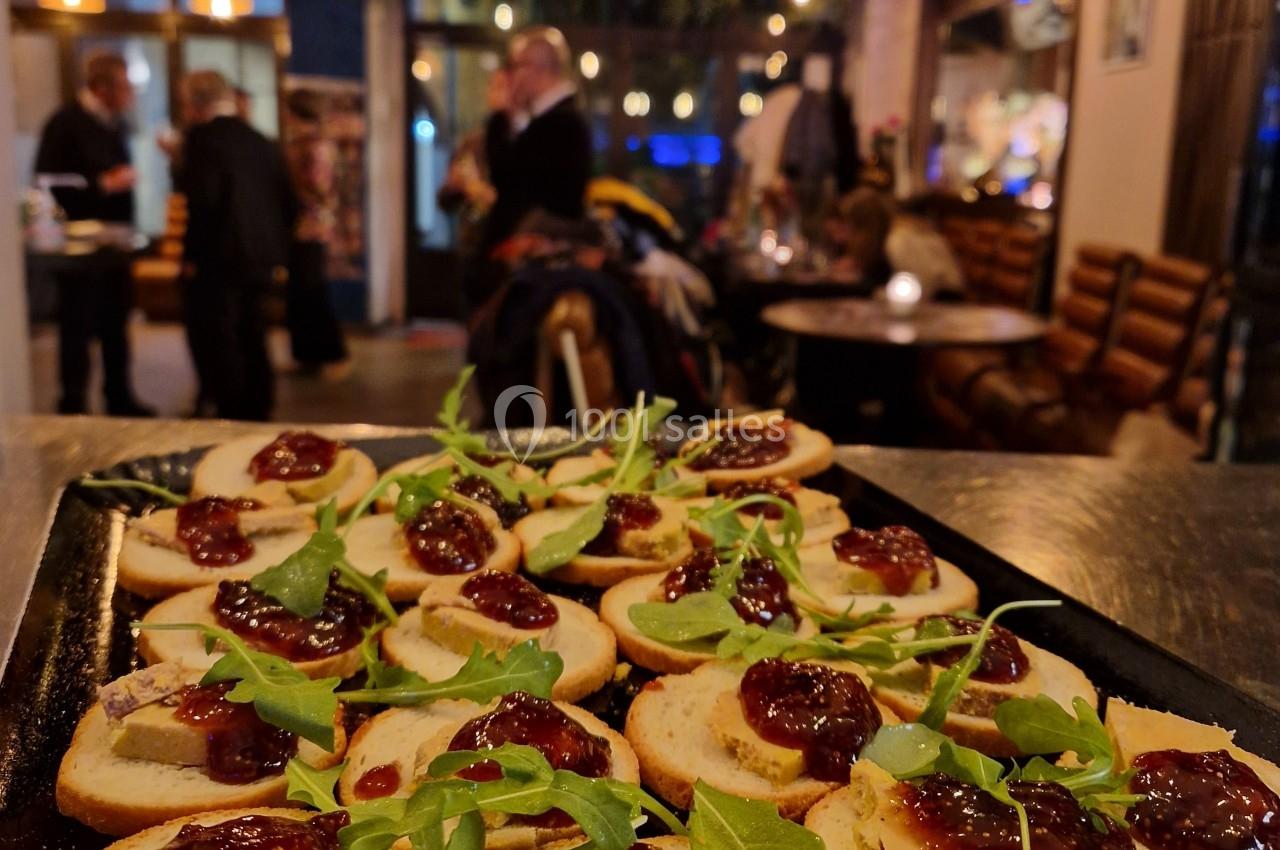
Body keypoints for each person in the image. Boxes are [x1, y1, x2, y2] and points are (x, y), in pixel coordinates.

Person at [174, 70, 296, 421]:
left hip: (218, 256)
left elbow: (204, 203)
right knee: (253, 331)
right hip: (259, 256)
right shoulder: (261, 141)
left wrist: (192, 257)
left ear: (195, 104)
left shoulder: (202, 141)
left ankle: (229, 408)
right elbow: (288, 203)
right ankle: (259, 404)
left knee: (219, 334)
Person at [35, 51, 152, 416]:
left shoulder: (115, 123)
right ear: (102, 88)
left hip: (114, 243)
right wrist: (101, 184)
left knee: (116, 325)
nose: (130, 94)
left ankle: (119, 397)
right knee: (77, 328)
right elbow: (47, 182)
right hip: (78, 250)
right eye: (124, 87)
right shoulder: (65, 122)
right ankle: (72, 403)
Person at [483, 26, 592, 257]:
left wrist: (507, 116)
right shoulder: (547, 121)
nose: (512, 76)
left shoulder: (562, 123)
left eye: (516, 66)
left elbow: (508, 180)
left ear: (534, 68)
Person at [282, 89, 349, 379]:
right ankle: (308, 354)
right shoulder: (306, 143)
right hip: (303, 227)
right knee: (301, 292)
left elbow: (321, 188)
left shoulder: (314, 145)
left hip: (310, 227)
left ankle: (332, 354)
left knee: (312, 291)